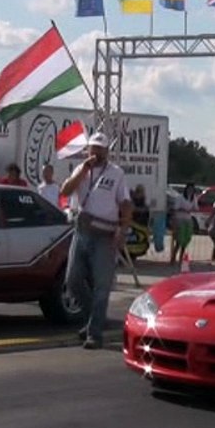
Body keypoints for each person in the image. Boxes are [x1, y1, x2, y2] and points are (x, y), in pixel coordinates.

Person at [60, 132, 132, 350]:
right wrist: (82, 170)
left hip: (104, 234)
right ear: (87, 150)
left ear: (107, 152)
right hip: (82, 231)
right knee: (72, 281)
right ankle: (94, 318)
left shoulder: (116, 173)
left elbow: (126, 203)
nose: (96, 153)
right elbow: (65, 191)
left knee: (102, 286)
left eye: (100, 149)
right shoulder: (80, 170)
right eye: (93, 148)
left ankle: (95, 333)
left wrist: (123, 229)